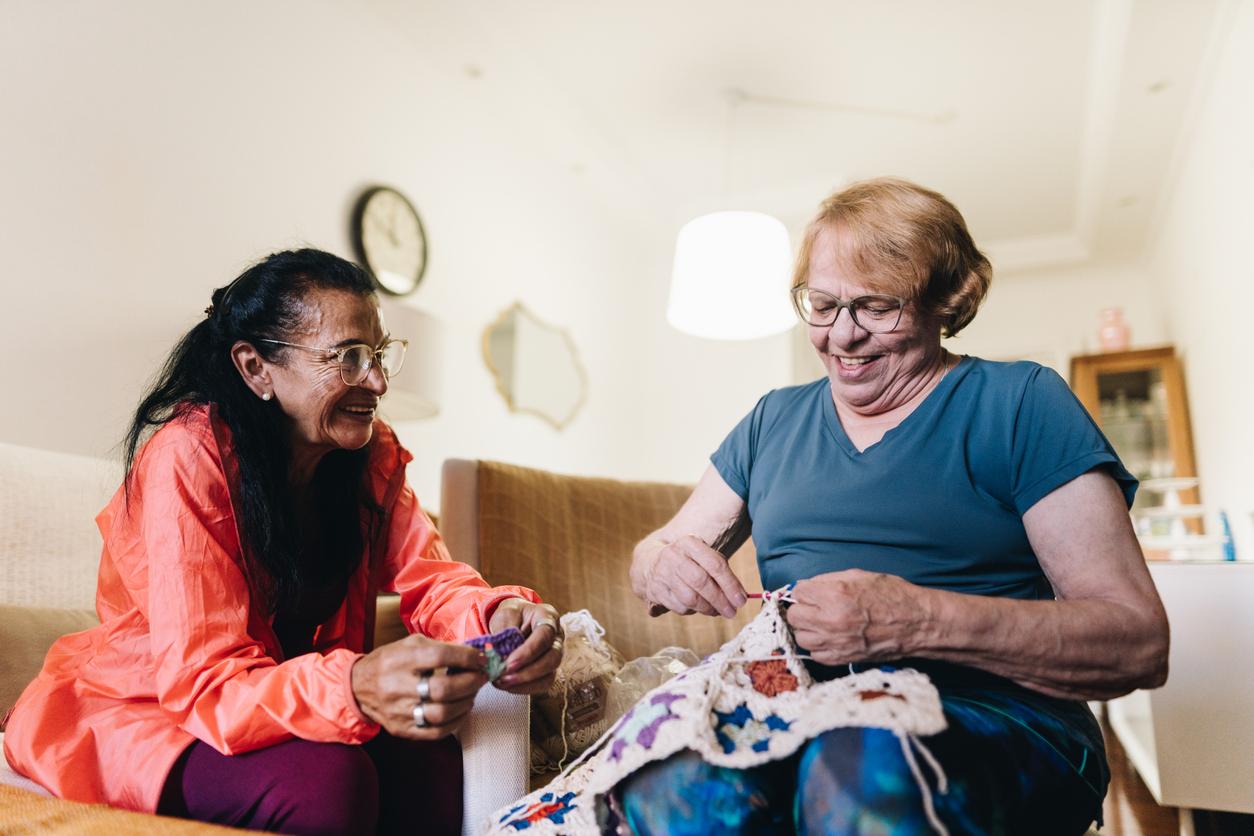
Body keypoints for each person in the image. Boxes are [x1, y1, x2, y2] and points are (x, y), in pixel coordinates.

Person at [625, 178, 1169, 835]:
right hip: (793, 706)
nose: (842, 337)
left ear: (949, 300)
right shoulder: (773, 421)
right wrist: (661, 565)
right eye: (822, 305)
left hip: (997, 716)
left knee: (858, 771)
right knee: (670, 781)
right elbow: (657, 551)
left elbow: (1137, 642)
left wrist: (919, 620)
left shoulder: (1021, 402)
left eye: (876, 307)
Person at [3, 249, 563, 835]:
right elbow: (205, 684)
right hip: (154, 712)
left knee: (428, 763)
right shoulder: (187, 455)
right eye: (347, 357)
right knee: (328, 784)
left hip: (265, 697)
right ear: (255, 368)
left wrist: (502, 611)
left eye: (377, 354)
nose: (375, 380)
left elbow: (431, 576)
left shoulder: (370, 456)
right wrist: (355, 684)